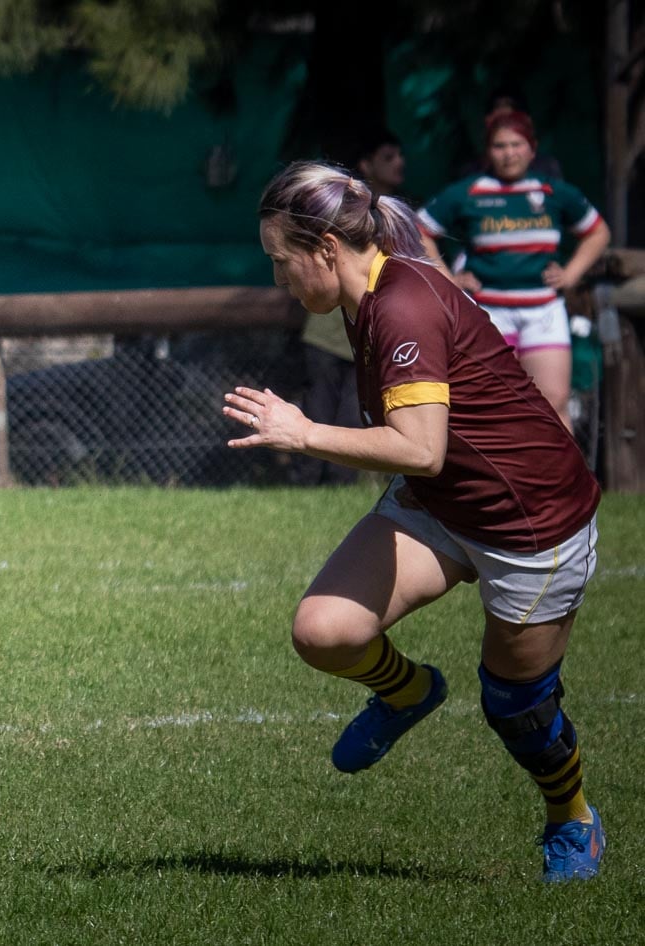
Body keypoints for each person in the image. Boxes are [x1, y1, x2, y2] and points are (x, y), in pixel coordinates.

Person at [227, 161, 605, 882]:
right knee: (324, 632)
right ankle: (408, 691)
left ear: (326, 249)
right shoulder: (361, 290)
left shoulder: (400, 304)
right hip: (439, 501)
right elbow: (430, 461)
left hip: (529, 523)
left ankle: (572, 817)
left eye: (280, 261)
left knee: (517, 708)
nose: (277, 279)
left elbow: (421, 449)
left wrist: (303, 432)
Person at [419, 110, 610, 428]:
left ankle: (560, 464)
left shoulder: (554, 192)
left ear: (532, 149)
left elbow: (598, 232)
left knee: (554, 403)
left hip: (544, 312)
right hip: (489, 313)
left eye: (516, 144)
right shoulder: (467, 192)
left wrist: (571, 273)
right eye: (500, 146)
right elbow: (418, 230)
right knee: (491, 406)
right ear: (488, 152)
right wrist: (448, 279)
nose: (509, 153)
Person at [292, 130, 408, 485]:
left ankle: (339, 482)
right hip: (327, 331)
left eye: (399, 155)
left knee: (354, 411)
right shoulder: (341, 210)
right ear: (366, 165)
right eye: (388, 156)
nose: (399, 163)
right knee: (319, 406)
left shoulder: (400, 215)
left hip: (372, 330)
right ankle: (306, 483)